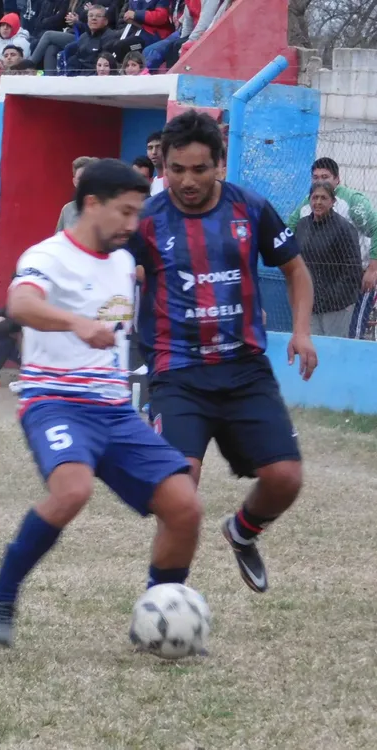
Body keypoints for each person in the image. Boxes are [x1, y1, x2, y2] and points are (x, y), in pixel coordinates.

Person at [0, 159, 202, 649]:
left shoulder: (123, 261)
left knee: (185, 507)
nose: (131, 224)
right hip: (54, 401)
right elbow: (21, 304)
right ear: (92, 204)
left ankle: (158, 617)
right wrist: (74, 323)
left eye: (137, 213)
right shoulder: (49, 255)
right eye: (124, 212)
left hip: (115, 410)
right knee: (72, 491)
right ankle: (1, 597)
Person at [130, 111, 317, 594]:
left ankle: (242, 532)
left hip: (245, 370)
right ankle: (163, 598)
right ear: (163, 167)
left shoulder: (251, 209)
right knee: (180, 493)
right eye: (176, 170)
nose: (187, 181)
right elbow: (106, 273)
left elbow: (296, 270)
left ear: (220, 164)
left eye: (199, 169)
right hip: (178, 372)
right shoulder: (146, 222)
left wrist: (301, 332)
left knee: (286, 478)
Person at [294, 181, 361, 337]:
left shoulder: (344, 228)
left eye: (323, 198)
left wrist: (334, 297)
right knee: (312, 348)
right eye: (314, 197)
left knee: (333, 351)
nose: (318, 202)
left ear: (332, 201)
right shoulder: (302, 226)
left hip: (336, 306)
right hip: (310, 303)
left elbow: (353, 269)